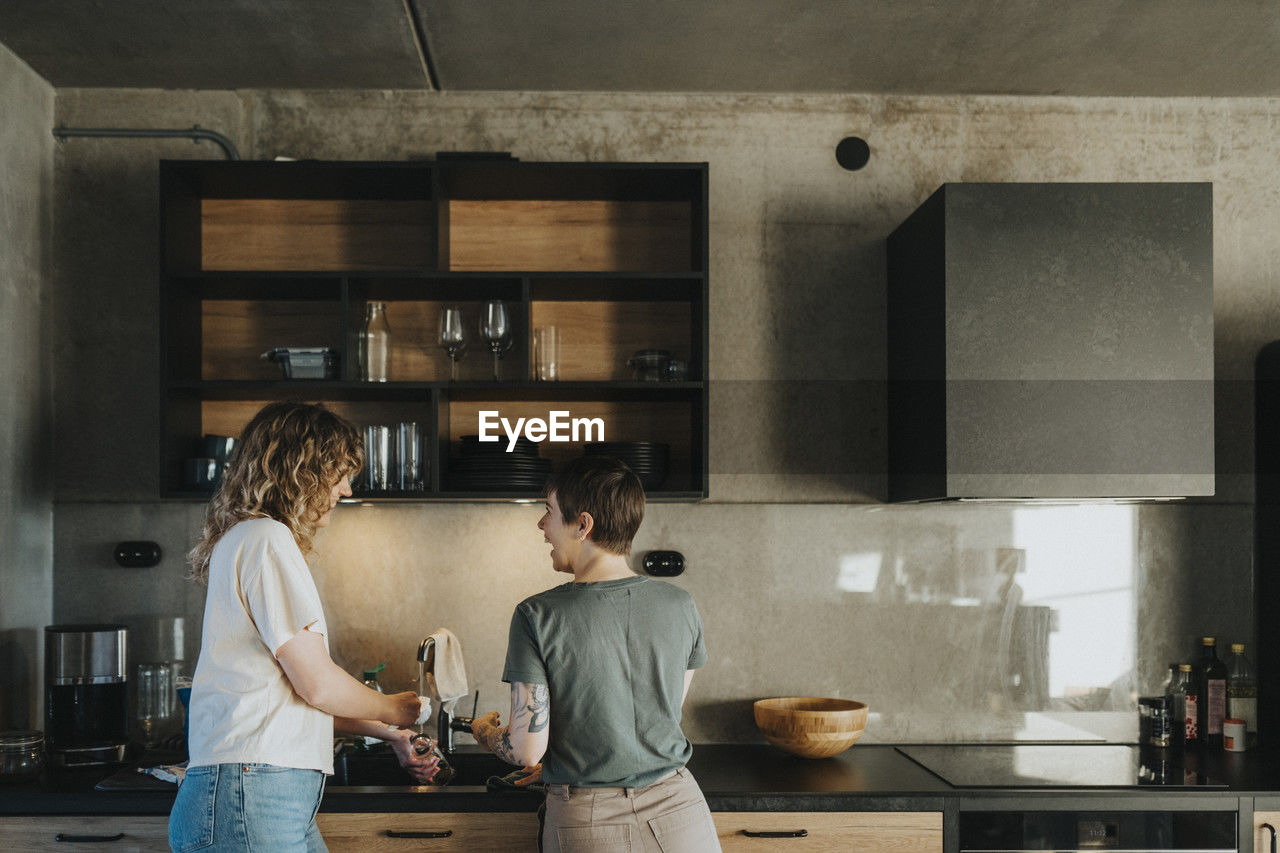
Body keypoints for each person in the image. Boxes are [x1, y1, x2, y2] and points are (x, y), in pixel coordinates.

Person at [169, 401, 439, 853]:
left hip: (255, 795)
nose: (347, 490)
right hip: (249, 797)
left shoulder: (249, 538)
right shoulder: (266, 539)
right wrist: (394, 709)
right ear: (301, 471)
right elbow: (316, 684)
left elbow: (293, 693)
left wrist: (391, 732)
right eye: (339, 473)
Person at [471, 455, 720, 853]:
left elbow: (524, 748)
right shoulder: (680, 604)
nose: (541, 526)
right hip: (681, 809)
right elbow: (662, 713)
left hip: (589, 821)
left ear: (583, 524)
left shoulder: (537, 615)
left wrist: (484, 732)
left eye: (548, 512)